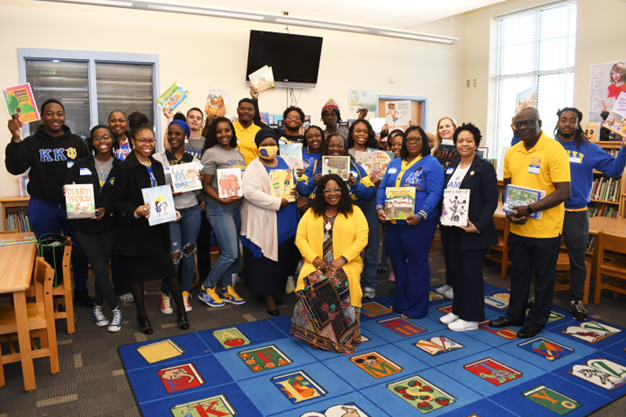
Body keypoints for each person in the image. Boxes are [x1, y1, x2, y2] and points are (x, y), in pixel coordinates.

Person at [490, 107, 571, 339]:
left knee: (543, 280)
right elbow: (507, 185)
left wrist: (531, 209)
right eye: (518, 124)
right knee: (519, 274)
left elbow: (564, 191)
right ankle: (514, 315)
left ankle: (536, 321)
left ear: (539, 123)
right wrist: (509, 209)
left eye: (528, 123)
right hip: (518, 226)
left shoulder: (554, 149)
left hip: (546, 230)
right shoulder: (512, 152)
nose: (523, 127)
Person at [5, 98, 92, 307]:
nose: (55, 117)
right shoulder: (30, 143)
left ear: (64, 116)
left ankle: (81, 290)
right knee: (49, 252)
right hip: (44, 206)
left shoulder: (77, 142)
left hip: (75, 204)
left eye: (59, 113)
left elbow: (88, 171)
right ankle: (54, 295)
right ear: (42, 117)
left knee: (81, 249)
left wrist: (79, 185)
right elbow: (15, 168)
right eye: (50, 113)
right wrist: (15, 138)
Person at [112, 112, 189, 334]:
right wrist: (134, 210)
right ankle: (142, 316)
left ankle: (181, 311)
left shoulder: (156, 164)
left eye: (151, 140)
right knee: (137, 277)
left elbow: (160, 195)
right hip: (135, 231)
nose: (147, 144)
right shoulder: (124, 167)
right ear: (133, 142)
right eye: (142, 140)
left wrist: (170, 210)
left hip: (158, 230)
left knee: (169, 271)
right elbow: (117, 202)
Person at [555, 107, 626, 320]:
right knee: (545, 257)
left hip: (576, 212)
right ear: (558, 123)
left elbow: (613, 171)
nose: (567, 123)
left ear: (578, 124)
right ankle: (540, 295)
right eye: (563, 120)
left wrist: (624, 149)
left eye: (572, 120)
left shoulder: (590, 148)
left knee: (578, 258)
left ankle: (576, 299)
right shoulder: (549, 146)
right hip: (550, 212)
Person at [291, 174, 369, 353]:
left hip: (346, 262)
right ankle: (314, 333)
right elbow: (300, 238)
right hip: (317, 262)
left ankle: (340, 334)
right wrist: (314, 258)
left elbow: (362, 237)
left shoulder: (354, 211)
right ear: (321, 193)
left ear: (342, 191)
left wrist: (343, 259)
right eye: (327, 190)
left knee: (338, 281)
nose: (332, 193)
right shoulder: (312, 212)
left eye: (336, 189)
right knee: (311, 279)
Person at [377, 125, 444, 319]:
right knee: (397, 261)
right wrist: (380, 208)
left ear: (424, 141)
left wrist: (421, 215)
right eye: (408, 139)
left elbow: (435, 193)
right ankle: (402, 301)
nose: (412, 142)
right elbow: (382, 188)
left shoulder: (432, 164)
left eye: (416, 139)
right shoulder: (395, 162)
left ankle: (416, 307)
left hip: (418, 223)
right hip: (394, 221)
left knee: (417, 262)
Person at [439, 123, 498, 332]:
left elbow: (492, 201)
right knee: (456, 272)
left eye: (469, 140)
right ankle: (458, 310)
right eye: (460, 140)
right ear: (455, 143)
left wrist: (478, 225)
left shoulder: (485, 168)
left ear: (476, 143)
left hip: (473, 230)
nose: (464, 144)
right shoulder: (452, 165)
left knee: (471, 275)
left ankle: (472, 318)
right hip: (452, 229)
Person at [65, 125, 123, 332]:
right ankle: (116, 310)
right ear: (92, 142)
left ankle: (97, 308)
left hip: (109, 225)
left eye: (106, 137)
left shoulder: (120, 167)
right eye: (97, 138)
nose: (102, 141)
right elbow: (69, 186)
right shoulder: (81, 164)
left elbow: (121, 198)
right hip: (83, 225)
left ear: (113, 140)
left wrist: (106, 209)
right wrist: (67, 191)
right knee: (99, 268)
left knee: (102, 268)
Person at [240, 128, 300, 316]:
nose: (268, 148)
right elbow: (249, 192)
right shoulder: (253, 167)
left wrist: (294, 192)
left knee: (282, 258)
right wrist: (276, 202)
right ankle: (268, 297)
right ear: (258, 147)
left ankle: (273, 290)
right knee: (265, 260)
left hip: (286, 219)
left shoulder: (283, 162)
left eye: (271, 144)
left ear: (277, 145)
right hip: (266, 219)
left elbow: (292, 184)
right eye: (264, 145)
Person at [153, 116, 202, 314]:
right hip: (168, 212)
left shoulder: (194, 161)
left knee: (188, 253)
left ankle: (183, 292)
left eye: (178, 134)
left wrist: (197, 181)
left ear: (186, 137)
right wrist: (169, 192)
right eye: (170, 133)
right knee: (174, 257)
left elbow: (199, 192)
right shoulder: (157, 159)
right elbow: (151, 188)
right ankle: (165, 293)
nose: (173, 137)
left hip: (191, 210)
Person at [198, 117, 247, 308]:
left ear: (232, 132)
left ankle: (226, 288)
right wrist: (222, 199)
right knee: (230, 253)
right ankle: (207, 288)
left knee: (232, 252)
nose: (224, 134)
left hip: (236, 209)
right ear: (214, 134)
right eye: (219, 131)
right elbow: (205, 185)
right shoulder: (210, 154)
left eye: (227, 130)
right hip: (219, 209)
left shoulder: (238, 153)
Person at [297, 133, 375, 215]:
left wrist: (356, 185)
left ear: (345, 148)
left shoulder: (355, 167)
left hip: (348, 215)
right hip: (319, 214)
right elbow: (300, 187)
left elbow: (370, 191)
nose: (335, 149)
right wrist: (313, 181)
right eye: (332, 146)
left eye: (340, 146)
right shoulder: (316, 165)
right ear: (326, 147)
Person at [347, 119, 381, 299]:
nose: (361, 134)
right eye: (358, 131)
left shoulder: (379, 155)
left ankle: (369, 283)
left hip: (371, 202)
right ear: (351, 133)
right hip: (353, 202)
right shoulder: (345, 154)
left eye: (365, 131)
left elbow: (384, 183)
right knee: (353, 245)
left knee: (372, 245)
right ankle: (353, 281)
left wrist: (379, 182)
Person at [107, 109, 135, 304]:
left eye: (121, 120)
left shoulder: (134, 141)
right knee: (118, 249)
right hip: (113, 201)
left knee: (134, 247)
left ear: (127, 123)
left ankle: (135, 285)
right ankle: (121, 287)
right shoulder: (105, 143)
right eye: (113, 121)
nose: (117, 124)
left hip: (133, 198)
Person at [433, 116, 459, 299]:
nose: (444, 129)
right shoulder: (436, 152)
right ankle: (449, 282)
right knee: (447, 245)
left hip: (455, 202)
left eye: (447, 126)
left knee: (456, 246)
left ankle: (457, 285)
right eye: (441, 127)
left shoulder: (460, 149)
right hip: (440, 203)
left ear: (455, 128)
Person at [379, 131, 405, 282]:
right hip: (391, 208)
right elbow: (384, 186)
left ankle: (401, 273)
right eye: (393, 144)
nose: (395, 147)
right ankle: (395, 269)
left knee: (405, 244)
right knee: (392, 243)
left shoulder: (413, 161)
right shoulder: (391, 162)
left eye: (399, 144)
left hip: (407, 210)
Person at [234, 98, 262, 165]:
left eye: (250, 109)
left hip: (254, 172)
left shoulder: (260, 131)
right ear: (237, 110)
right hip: (233, 172)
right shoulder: (229, 129)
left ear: (254, 112)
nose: (246, 111)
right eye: (243, 108)